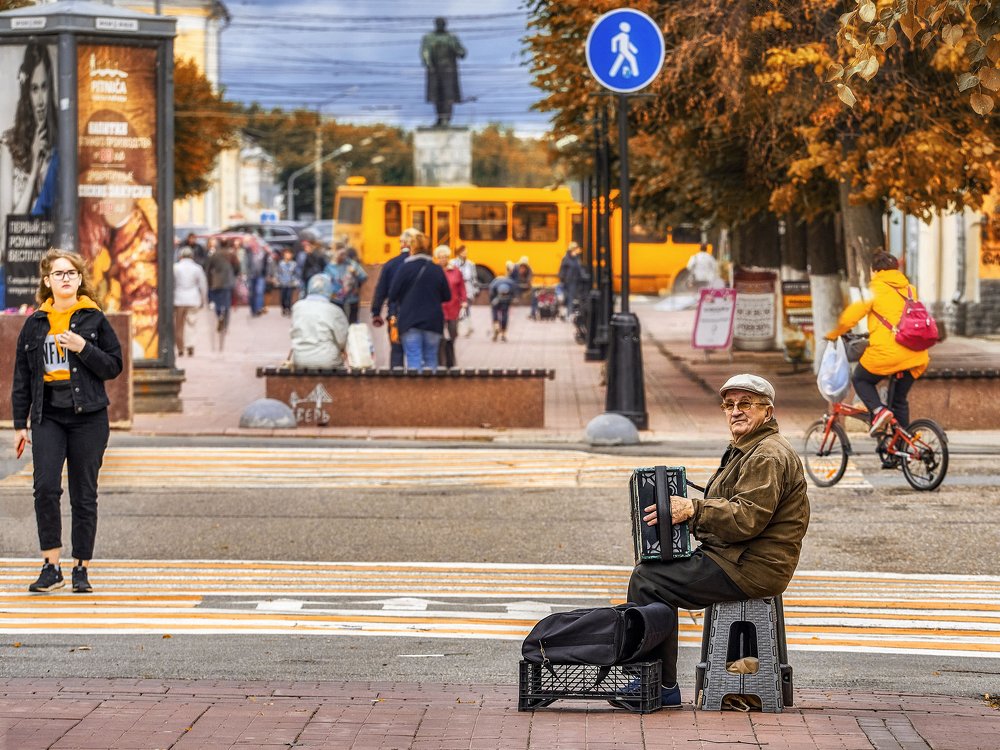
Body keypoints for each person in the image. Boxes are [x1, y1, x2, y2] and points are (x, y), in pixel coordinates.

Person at [621, 374, 810, 709]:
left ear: (767, 411)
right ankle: (656, 680)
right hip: (739, 557)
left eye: (745, 404)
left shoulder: (766, 454)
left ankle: (659, 684)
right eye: (729, 404)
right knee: (656, 568)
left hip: (749, 566)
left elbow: (747, 518)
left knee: (649, 580)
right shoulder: (750, 448)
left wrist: (693, 510)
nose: (735, 411)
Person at [11, 249, 124, 594]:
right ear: (47, 281)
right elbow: (22, 376)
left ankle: (81, 568)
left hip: (88, 417)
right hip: (48, 415)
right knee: (45, 487)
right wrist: (20, 423)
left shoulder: (93, 319)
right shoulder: (34, 323)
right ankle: (51, 565)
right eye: (58, 274)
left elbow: (113, 366)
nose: (65, 278)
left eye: (71, 273)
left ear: (79, 279)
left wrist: (82, 347)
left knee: (83, 494)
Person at [825, 252, 930, 436]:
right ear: (896, 269)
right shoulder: (910, 289)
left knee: (860, 379)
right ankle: (901, 450)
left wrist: (833, 334)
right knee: (898, 401)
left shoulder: (873, 289)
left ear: (874, 271)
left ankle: (878, 411)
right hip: (917, 355)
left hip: (887, 354)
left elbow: (851, 316)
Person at [0, 42, 59, 227]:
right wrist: (34, 170)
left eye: (44, 87)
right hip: (19, 251)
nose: (40, 101)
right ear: (27, 94)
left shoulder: (60, 145)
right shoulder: (9, 145)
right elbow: (6, 226)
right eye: (34, 89)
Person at [388, 232, 451, 371]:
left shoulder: (404, 268)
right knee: (431, 359)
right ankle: (432, 392)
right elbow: (447, 296)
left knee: (414, 358)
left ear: (412, 248)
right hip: (433, 321)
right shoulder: (436, 269)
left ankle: (415, 391)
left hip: (409, 321)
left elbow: (392, 295)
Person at [371, 227, 417, 368]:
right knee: (415, 352)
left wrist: (376, 312)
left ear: (401, 243)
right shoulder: (422, 264)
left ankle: (396, 385)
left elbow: (381, 290)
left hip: (395, 314)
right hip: (416, 314)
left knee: (396, 350)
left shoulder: (391, 264)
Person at [290, 274, 349, 369]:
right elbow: (342, 340)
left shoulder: (297, 307)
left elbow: (293, 334)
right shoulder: (335, 310)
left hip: (300, 359)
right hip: (327, 360)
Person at [420, 17, 467, 127]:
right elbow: (424, 52)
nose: (440, 25)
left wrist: (456, 49)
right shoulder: (429, 37)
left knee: (448, 94)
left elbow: (462, 52)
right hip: (434, 69)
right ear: (435, 24)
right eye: (438, 23)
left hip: (449, 69)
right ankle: (439, 118)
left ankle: (446, 118)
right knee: (436, 95)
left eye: (442, 24)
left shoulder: (451, 37)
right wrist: (428, 63)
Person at [436, 245, 468, 369]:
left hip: (453, 308)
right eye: (440, 257)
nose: (443, 259)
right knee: (440, 336)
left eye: (445, 257)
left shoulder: (455, 271)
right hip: (438, 308)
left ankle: (450, 357)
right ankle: (442, 361)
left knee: (453, 333)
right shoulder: (435, 271)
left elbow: (461, 288)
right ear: (437, 258)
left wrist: (464, 301)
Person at [173, 246, 207, 358]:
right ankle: (190, 345)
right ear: (192, 256)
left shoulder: (176, 267)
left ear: (180, 256)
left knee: (179, 325)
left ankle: (180, 348)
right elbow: (202, 285)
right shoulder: (197, 268)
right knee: (191, 324)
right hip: (193, 299)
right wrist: (203, 299)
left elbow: (172, 284)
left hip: (179, 299)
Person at [324, 242, 368, 324]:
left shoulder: (351, 264)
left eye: (344, 254)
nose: (343, 257)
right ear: (335, 253)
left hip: (352, 299)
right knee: (339, 321)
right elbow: (325, 283)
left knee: (353, 322)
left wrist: (355, 273)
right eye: (341, 254)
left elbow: (364, 277)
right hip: (336, 300)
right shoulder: (329, 268)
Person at [205, 238, 238, 340]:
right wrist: (233, 276)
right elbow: (237, 268)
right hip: (228, 282)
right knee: (227, 304)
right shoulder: (231, 255)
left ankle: (219, 314)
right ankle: (226, 326)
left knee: (218, 303)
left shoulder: (214, 255)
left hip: (216, 282)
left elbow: (208, 268)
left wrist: (209, 281)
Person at [557, 241, 584, 316]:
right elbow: (562, 270)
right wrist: (563, 279)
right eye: (575, 249)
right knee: (569, 297)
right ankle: (568, 313)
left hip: (576, 281)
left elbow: (579, 269)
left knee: (572, 297)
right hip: (568, 281)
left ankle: (570, 312)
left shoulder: (576, 259)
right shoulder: (566, 259)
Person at [488, 271, 517, 342]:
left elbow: (491, 296)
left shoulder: (494, 284)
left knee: (495, 312)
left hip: (498, 297)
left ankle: (496, 327)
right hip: (504, 298)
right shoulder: (511, 284)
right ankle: (503, 334)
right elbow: (514, 295)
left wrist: (493, 302)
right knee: (504, 315)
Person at [276, 248, 300, 317]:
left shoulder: (293, 264)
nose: (288, 255)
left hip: (290, 283)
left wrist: (295, 280)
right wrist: (278, 280)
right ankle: (283, 308)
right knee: (283, 296)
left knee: (289, 296)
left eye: (289, 254)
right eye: (286, 254)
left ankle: (289, 308)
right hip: (283, 283)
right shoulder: (281, 264)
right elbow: (278, 272)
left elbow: (296, 273)